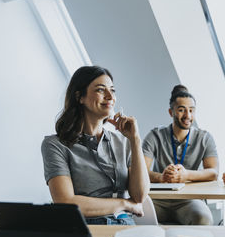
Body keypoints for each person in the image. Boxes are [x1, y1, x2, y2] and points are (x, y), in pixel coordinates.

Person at [41, 65, 150, 225]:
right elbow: (66, 201)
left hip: (124, 227)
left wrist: (135, 140)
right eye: (100, 90)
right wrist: (124, 204)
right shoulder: (55, 145)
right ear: (80, 97)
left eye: (112, 90)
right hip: (83, 229)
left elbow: (140, 196)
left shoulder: (123, 142)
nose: (109, 96)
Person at [142, 85, 218, 225]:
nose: (187, 115)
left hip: (189, 199)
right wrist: (161, 177)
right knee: (133, 216)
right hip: (158, 198)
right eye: (181, 110)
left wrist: (186, 175)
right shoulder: (155, 135)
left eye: (191, 110)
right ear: (171, 112)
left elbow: (213, 172)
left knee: (204, 219)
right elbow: (141, 171)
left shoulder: (205, 137)